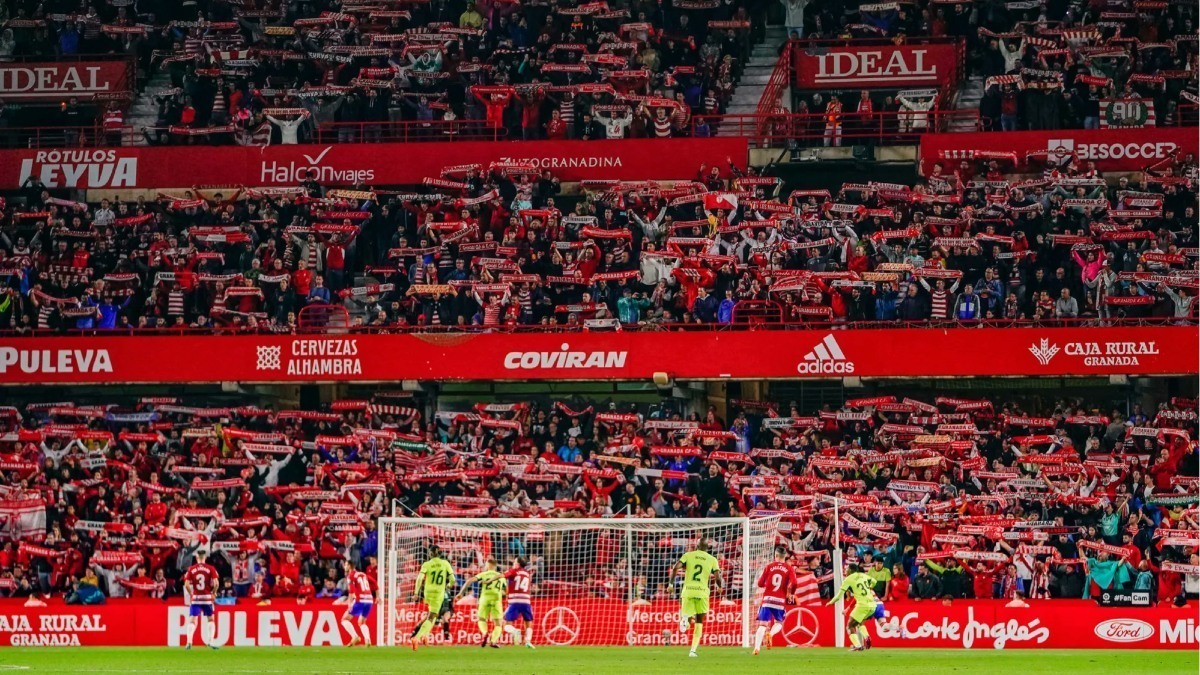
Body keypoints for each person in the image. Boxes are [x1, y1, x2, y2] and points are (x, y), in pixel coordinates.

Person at [673, 538, 723, 658]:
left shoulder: (688, 555)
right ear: (707, 548)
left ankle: (685, 620)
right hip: (702, 593)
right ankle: (693, 651)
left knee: (688, 620)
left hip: (688, 591)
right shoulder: (712, 559)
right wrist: (719, 587)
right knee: (699, 621)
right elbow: (717, 577)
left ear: (697, 546)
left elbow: (676, 567)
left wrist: (670, 584)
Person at [828, 563, 886, 652]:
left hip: (862, 605)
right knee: (858, 623)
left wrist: (830, 602)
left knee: (849, 626)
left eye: (847, 569)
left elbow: (839, 596)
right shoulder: (863, 575)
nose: (846, 571)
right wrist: (869, 587)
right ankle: (866, 637)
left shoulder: (848, 579)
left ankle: (858, 645)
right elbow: (874, 581)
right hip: (872, 605)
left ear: (851, 570)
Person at [753, 547, 798, 655]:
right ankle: (771, 634)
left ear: (775, 555)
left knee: (762, 625)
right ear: (785, 556)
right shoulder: (789, 568)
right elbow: (795, 582)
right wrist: (791, 593)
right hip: (779, 600)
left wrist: (767, 584)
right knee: (779, 623)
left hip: (767, 599)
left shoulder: (769, 566)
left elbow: (759, 583)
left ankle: (756, 649)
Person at [411, 545, 456, 649]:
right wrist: (448, 586)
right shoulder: (445, 563)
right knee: (432, 617)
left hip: (428, 593)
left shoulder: (426, 564)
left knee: (432, 616)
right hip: (438, 593)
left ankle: (425, 636)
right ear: (439, 553)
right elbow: (453, 579)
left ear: (430, 554)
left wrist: (416, 593)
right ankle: (417, 638)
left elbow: (419, 579)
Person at [456, 557, 507, 648]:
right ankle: (493, 641)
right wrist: (500, 593)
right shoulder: (501, 576)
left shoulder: (483, 574)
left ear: (488, 565)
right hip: (496, 600)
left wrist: (461, 593)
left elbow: (469, 580)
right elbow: (506, 591)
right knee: (498, 623)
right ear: (495, 566)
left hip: (484, 599)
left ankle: (485, 633)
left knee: (481, 619)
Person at [182, 549, 220, 650]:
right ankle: (210, 642)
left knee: (193, 620)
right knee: (211, 619)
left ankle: (189, 642)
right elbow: (216, 583)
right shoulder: (211, 568)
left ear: (196, 558)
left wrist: (191, 594)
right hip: (207, 598)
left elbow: (186, 584)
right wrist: (214, 592)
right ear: (205, 557)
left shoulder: (191, 569)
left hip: (196, 598)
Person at [501, 556, 535, 648]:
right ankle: (528, 641)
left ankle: (514, 631)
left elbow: (503, 576)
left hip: (515, 600)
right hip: (526, 601)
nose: (513, 563)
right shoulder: (527, 573)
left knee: (505, 623)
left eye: (514, 562)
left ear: (518, 564)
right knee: (528, 621)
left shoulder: (513, 571)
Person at [341, 560, 374, 647]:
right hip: (370, 600)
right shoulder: (363, 574)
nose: (344, 566)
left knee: (344, 619)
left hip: (360, 600)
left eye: (346, 564)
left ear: (350, 566)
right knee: (362, 622)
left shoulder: (351, 576)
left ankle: (355, 636)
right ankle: (367, 640)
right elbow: (374, 583)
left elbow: (351, 592)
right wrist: (377, 596)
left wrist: (349, 605)